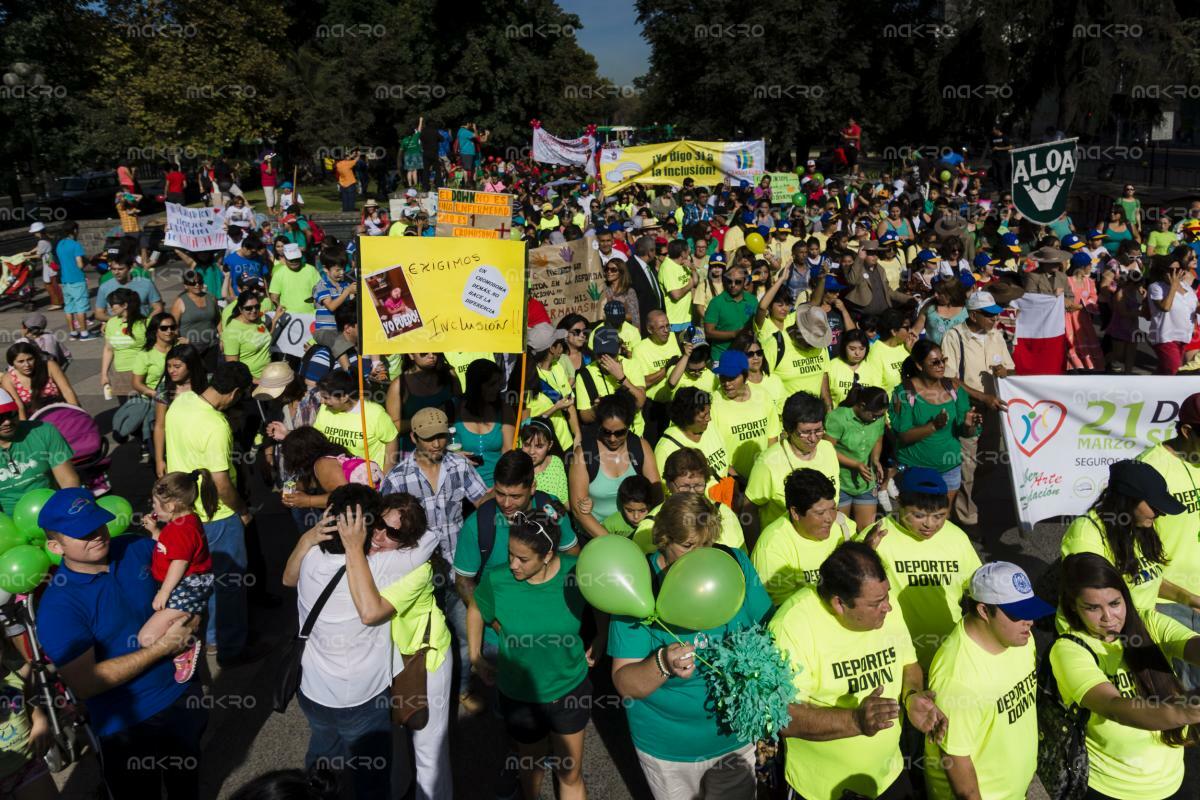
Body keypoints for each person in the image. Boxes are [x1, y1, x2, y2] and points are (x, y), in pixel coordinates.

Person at [37, 488, 204, 798]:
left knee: (188, 788)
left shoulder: (135, 548)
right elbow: (86, 682)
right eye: (81, 533)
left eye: (97, 524)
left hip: (182, 699)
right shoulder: (58, 608)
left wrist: (194, 619)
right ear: (55, 546)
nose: (96, 534)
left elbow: (194, 579)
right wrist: (163, 648)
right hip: (127, 728)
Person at [610, 493, 771, 799]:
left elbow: (767, 631)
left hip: (734, 739)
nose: (700, 557)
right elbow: (625, 682)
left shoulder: (735, 563)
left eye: (707, 545)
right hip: (669, 750)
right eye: (687, 546)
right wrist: (662, 663)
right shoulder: (638, 583)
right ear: (662, 539)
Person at [281, 485, 436, 798]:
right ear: (361, 530)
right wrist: (356, 547)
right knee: (370, 778)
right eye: (376, 525)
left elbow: (287, 579)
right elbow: (430, 540)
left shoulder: (310, 556)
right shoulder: (378, 568)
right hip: (362, 700)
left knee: (323, 760)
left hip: (312, 691)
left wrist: (310, 535)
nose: (380, 535)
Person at [769, 541, 947, 800]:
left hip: (889, 775)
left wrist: (912, 696)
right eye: (877, 603)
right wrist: (855, 721)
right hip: (822, 791)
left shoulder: (884, 606)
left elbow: (909, 663)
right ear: (840, 604)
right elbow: (783, 716)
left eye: (886, 596)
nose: (888, 607)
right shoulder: (792, 627)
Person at [332, 493, 453, 800]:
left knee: (427, 749)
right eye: (377, 524)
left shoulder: (416, 570)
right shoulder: (377, 556)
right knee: (394, 744)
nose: (379, 535)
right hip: (385, 663)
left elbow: (372, 612)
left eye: (393, 533)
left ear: (409, 541)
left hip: (423, 661)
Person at [1050, 553, 1200, 800]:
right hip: (1114, 789)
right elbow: (1114, 707)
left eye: (1114, 603)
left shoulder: (1148, 621)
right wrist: (1185, 711)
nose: (1108, 618)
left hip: (1172, 780)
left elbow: (1191, 644)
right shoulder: (1069, 650)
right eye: (1092, 608)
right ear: (1073, 607)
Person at [468, 511, 594, 800]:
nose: (513, 564)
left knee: (569, 773)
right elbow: (477, 608)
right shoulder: (499, 579)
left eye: (522, 559)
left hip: (570, 690)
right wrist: (475, 655)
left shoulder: (577, 572)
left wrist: (600, 637)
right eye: (510, 554)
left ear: (548, 554)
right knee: (531, 764)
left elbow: (602, 600)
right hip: (519, 694)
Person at [379, 408, 489, 710]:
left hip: (458, 569)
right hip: (418, 573)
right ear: (413, 437)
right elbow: (385, 527)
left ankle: (463, 688)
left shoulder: (459, 466)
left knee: (465, 634)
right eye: (429, 438)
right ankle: (419, 691)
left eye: (441, 436)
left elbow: (483, 500)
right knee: (420, 640)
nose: (437, 443)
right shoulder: (398, 476)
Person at [923, 562, 1052, 800]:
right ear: (984, 611)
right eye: (1018, 614)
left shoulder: (1019, 639)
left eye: (1031, 611)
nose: (1030, 622)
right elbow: (957, 762)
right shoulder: (957, 679)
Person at [163, 361, 254, 667]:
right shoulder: (217, 425)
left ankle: (212, 638)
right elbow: (222, 482)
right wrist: (242, 509)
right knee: (230, 584)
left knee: (205, 581)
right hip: (218, 516)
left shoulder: (182, 401)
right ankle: (232, 649)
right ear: (236, 392)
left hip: (185, 513)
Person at [860, 467, 983, 669]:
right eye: (918, 515)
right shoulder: (876, 538)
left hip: (947, 653)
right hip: (896, 656)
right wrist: (864, 555)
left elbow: (977, 589)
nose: (929, 525)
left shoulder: (957, 538)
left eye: (939, 516)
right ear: (899, 502)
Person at [1062, 460, 1187, 616]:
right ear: (1127, 500)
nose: (1161, 513)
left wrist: (1190, 599)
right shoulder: (1086, 534)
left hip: (1144, 624)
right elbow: (1096, 605)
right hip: (1105, 634)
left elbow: (1147, 581)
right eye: (1154, 505)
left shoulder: (1138, 525)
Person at [136, 470, 218, 684]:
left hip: (185, 587)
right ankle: (185, 630)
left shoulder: (181, 530)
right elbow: (172, 549)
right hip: (185, 585)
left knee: (147, 638)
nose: (153, 508)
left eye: (155, 503)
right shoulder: (183, 523)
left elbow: (179, 562)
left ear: (171, 506)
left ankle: (184, 648)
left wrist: (164, 592)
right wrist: (155, 533)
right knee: (153, 634)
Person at [890, 340, 982, 506]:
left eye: (943, 360)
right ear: (919, 365)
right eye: (935, 362)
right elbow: (903, 436)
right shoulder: (905, 392)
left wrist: (969, 425)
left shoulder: (953, 387)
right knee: (917, 518)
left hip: (949, 468)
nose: (941, 365)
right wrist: (933, 426)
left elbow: (965, 433)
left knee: (942, 517)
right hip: (915, 469)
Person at [751, 468, 855, 606]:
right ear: (795, 513)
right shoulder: (771, 549)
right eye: (820, 513)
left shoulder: (844, 527)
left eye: (833, 508)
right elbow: (783, 611)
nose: (829, 518)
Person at [568, 393, 661, 540]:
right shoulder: (584, 454)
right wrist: (611, 542)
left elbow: (657, 494)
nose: (612, 438)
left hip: (635, 530)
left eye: (619, 433)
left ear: (629, 426)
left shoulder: (640, 447)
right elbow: (579, 510)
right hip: (596, 534)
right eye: (606, 432)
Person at [746, 391, 840, 528]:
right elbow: (750, 509)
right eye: (806, 432)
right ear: (788, 429)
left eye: (818, 430)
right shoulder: (768, 463)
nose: (813, 438)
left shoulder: (828, 449)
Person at [631, 447, 745, 553]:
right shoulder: (649, 527)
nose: (692, 492)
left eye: (698, 485)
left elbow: (738, 557)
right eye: (684, 487)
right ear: (669, 484)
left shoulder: (724, 513)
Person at [0, 388, 79, 514]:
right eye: (0, 417)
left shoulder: (44, 431)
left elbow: (68, 481)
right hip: (9, 526)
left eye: (11, 414)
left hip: (54, 513)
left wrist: (72, 513)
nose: (7, 422)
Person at [710, 349, 780, 478]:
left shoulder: (763, 395)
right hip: (731, 481)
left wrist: (767, 471)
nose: (726, 383)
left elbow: (772, 438)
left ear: (746, 376)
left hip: (763, 476)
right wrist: (736, 478)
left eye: (732, 378)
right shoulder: (713, 404)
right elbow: (710, 449)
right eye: (723, 377)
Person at [826, 385, 887, 531]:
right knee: (841, 530)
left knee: (867, 530)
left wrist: (876, 460)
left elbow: (878, 439)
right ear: (862, 405)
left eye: (880, 416)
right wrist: (855, 464)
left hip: (865, 483)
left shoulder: (878, 418)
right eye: (874, 415)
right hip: (841, 483)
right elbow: (826, 450)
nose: (877, 419)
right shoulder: (838, 418)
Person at [312, 370, 398, 471]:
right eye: (321, 397)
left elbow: (391, 440)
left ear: (344, 397)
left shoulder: (375, 413)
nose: (322, 401)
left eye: (326, 398)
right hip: (334, 476)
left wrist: (386, 475)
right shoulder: (324, 409)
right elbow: (317, 439)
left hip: (366, 479)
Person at [574, 327, 647, 434]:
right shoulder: (585, 375)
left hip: (633, 434)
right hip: (605, 436)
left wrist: (621, 378)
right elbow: (584, 416)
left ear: (619, 349)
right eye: (600, 355)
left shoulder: (632, 365)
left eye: (610, 355)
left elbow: (640, 402)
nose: (605, 360)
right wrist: (597, 409)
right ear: (594, 352)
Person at [452, 359, 513, 487]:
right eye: (492, 384)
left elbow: (508, 452)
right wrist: (453, 456)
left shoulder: (504, 409)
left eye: (499, 383)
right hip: (463, 484)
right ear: (476, 385)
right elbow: (438, 448)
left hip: (496, 485)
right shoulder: (453, 408)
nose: (497, 389)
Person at [653, 386, 729, 482]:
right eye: (703, 416)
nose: (709, 419)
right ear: (687, 418)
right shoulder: (665, 449)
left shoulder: (710, 427)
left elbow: (725, 465)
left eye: (708, 412)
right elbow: (665, 489)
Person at [386, 352, 459, 447]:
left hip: (449, 444)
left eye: (435, 351)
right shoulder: (399, 385)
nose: (431, 355)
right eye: (424, 353)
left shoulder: (449, 374)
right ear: (411, 355)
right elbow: (394, 426)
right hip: (415, 450)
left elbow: (460, 407)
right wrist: (426, 420)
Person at [1146, 258, 1197, 375]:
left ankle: (1150, 387)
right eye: (1171, 270)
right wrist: (1173, 287)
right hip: (1166, 336)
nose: (1175, 273)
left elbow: (1195, 307)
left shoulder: (1187, 287)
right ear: (1163, 271)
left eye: (1178, 269)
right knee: (1172, 370)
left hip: (1183, 336)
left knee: (1165, 370)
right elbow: (1165, 307)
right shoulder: (1156, 287)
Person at [2, 342, 76, 418]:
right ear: (12, 363)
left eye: (30, 359)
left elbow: (67, 391)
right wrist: (25, 427)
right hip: (35, 420)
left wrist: (77, 413)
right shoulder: (8, 379)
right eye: (21, 361)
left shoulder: (49, 366)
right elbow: (20, 407)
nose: (27, 365)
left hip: (61, 413)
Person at [100, 287, 148, 402]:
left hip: (142, 372)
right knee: (126, 410)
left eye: (113, 304)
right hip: (120, 374)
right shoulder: (111, 323)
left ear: (125, 305)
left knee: (144, 407)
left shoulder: (144, 323)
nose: (110, 307)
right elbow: (108, 349)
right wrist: (104, 374)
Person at [703, 266, 757, 359]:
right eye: (729, 281)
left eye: (738, 282)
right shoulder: (716, 302)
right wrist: (734, 334)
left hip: (747, 356)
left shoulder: (752, 300)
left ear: (745, 282)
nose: (733, 285)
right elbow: (708, 332)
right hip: (721, 356)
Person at [170, 269, 221, 367]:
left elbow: (218, 319)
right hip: (190, 349)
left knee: (212, 377)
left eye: (200, 282)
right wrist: (179, 341)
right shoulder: (180, 302)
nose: (197, 285)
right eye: (192, 283)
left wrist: (222, 337)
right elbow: (173, 326)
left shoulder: (211, 298)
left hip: (211, 346)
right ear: (185, 285)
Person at [222, 290, 274, 381]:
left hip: (268, 376)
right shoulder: (232, 331)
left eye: (257, 307)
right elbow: (233, 367)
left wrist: (276, 318)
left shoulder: (258, 320)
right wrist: (255, 381)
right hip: (250, 381)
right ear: (240, 309)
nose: (254, 311)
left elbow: (264, 337)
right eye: (249, 308)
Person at [54, 222, 92, 339]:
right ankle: (84, 333)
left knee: (69, 308)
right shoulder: (75, 245)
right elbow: (80, 264)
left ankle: (73, 333)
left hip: (65, 280)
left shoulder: (59, 244)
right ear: (74, 231)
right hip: (77, 279)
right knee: (81, 306)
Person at [94, 259, 163, 321]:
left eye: (120, 269)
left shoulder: (146, 283)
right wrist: (114, 322)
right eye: (113, 269)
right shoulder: (104, 286)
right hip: (117, 330)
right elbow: (99, 313)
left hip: (141, 326)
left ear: (131, 269)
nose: (116, 272)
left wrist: (146, 323)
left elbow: (158, 307)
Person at [520, 418, 568, 502]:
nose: (531, 452)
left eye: (539, 446)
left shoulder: (555, 463)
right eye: (527, 445)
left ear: (550, 445)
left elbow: (564, 501)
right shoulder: (516, 468)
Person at [270, 243, 321, 317]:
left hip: (310, 315)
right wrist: (281, 311)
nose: (294, 262)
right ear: (284, 257)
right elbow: (274, 297)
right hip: (288, 317)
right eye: (291, 259)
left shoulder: (311, 270)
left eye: (296, 259)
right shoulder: (278, 273)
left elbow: (320, 290)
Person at [313, 250, 356, 332]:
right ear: (325, 269)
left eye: (343, 269)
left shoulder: (345, 285)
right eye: (338, 270)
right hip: (326, 330)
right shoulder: (322, 285)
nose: (342, 273)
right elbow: (331, 306)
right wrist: (347, 291)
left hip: (341, 329)